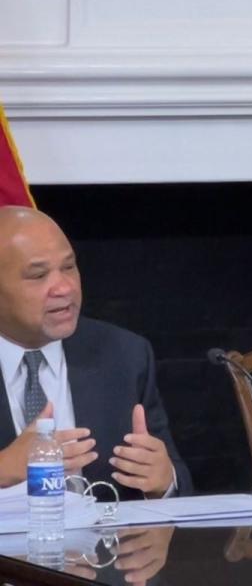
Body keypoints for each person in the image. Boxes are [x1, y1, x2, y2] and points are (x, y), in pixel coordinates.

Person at [0, 206, 191, 499]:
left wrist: (165, 481)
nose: (64, 287)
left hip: (103, 543)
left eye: (68, 267)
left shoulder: (124, 355)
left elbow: (178, 483)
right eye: (38, 275)